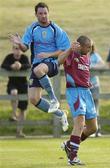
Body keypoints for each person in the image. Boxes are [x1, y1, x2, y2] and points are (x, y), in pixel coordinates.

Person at [9, 2, 70, 132]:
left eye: (45, 13)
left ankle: (54, 99)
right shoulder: (32, 28)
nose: (43, 16)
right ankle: (61, 114)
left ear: (49, 13)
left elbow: (64, 50)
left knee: (39, 69)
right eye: (40, 13)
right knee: (34, 99)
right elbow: (25, 48)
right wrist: (19, 43)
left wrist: (48, 54)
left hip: (52, 63)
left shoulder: (55, 29)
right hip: (37, 66)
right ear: (36, 14)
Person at [59, 36, 97, 165]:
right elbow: (59, 61)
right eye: (88, 47)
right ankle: (73, 157)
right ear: (80, 46)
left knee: (92, 128)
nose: (90, 49)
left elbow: (83, 74)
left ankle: (69, 145)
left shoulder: (87, 57)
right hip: (75, 92)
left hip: (86, 92)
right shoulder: (71, 54)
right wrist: (70, 49)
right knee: (80, 124)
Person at [1, 44, 31, 138]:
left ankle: (19, 132)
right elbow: (3, 66)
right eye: (16, 49)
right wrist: (12, 66)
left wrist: (20, 66)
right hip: (12, 83)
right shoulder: (9, 57)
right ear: (13, 49)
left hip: (23, 84)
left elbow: (28, 66)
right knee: (14, 93)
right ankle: (13, 114)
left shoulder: (24, 57)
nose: (17, 51)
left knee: (23, 109)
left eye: (19, 49)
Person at [89, 41, 105, 137]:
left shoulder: (95, 56)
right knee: (86, 109)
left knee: (95, 109)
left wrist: (91, 66)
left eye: (90, 46)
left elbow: (102, 64)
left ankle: (97, 130)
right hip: (83, 86)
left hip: (94, 85)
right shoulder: (79, 55)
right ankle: (88, 130)